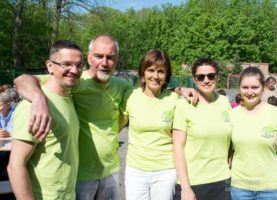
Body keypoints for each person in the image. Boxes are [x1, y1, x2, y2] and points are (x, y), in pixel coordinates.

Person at [14, 35, 197, 200]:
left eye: (110, 57)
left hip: (112, 171)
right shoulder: (74, 80)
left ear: (116, 60)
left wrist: (181, 90)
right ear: (89, 57)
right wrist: (38, 98)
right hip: (81, 175)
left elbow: (149, 94)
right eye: (99, 56)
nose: (105, 62)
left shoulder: (122, 87)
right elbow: (22, 79)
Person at [7, 40, 83, 199]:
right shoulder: (32, 106)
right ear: (50, 66)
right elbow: (15, 166)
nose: (74, 70)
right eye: (67, 64)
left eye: (79, 65)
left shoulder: (68, 98)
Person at [229, 67, 277, 200]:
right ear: (239, 88)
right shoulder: (231, 115)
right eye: (245, 87)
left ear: (263, 87)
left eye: (254, 87)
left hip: (270, 188)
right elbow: (228, 152)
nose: (249, 92)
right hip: (239, 188)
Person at [172, 58, 232, 200]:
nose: (206, 80)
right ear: (194, 79)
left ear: (217, 77)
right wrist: (186, 188)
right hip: (194, 182)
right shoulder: (184, 105)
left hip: (223, 180)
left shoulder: (225, 102)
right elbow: (177, 147)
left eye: (211, 76)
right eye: (201, 77)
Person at [124, 50, 178, 200]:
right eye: (151, 70)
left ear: (167, 75)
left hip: (165, 170)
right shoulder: (130, 96)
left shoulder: (175, 99)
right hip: (135, 170)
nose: (155, 76)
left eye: (161, 71)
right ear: (143, 73)